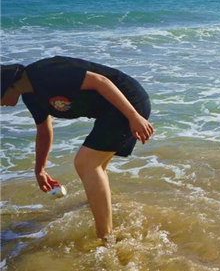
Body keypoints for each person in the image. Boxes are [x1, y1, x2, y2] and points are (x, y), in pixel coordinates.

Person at [1, 56, 154, 240]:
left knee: (86, 163)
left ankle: (105, 237)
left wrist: (133, 116)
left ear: (6, 86)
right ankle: (99, 209)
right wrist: (39, 169)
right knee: (95, 167)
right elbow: (43, 131)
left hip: (127, 103)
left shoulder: (45, 72)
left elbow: (101, 81)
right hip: (109, 112)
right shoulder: (31, 96)